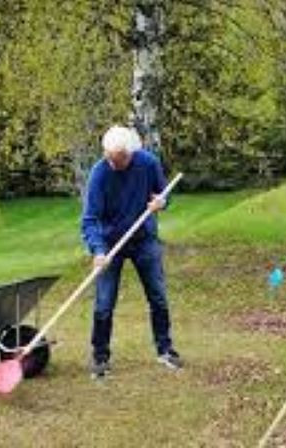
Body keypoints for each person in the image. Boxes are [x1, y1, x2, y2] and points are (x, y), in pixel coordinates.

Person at [81, 125, 182, 379]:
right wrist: (98, 251)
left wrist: (161, 202)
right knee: (104, 303)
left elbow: (164, 195)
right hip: (110, 243)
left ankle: (165, 350)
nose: (113, 163)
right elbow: (90, 219)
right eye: (109, 158)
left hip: (144, 240)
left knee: (157, 296)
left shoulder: (148, 163)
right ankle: (100, 357)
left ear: (131, 153)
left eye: (119, 159)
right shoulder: (99, 174)